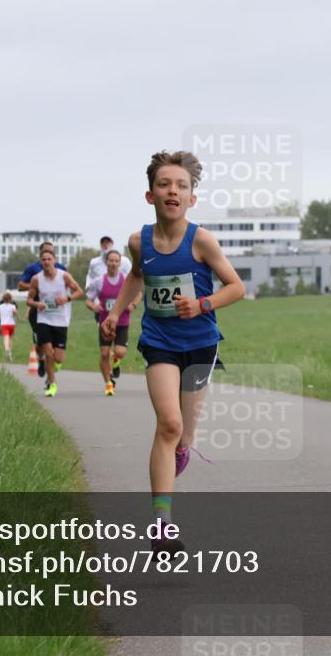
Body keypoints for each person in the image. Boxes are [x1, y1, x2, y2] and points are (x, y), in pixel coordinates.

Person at [101, 150, 245, 555]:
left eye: (182, 186)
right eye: (165, 184)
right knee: (167, 424)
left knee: (183, 432)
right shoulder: (137, 242)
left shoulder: (202, 240)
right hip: (160, 342)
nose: (173, 191)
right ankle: (162, 526)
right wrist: (115, 311)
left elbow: (236, 287)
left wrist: (202, 305)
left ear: (191, 199)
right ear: (150, 195)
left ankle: (184, 447)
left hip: (200, 345)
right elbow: (136, 275)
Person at [27, 249, 83, 396]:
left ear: (54, 260)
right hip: (43, 319)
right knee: (48, 353)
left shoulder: (64, 276)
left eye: (49, 259)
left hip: (61, 320)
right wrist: (37, 304)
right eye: (43, 259)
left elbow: (79, 291)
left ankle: (52, 368)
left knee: (58, 358)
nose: (46, 262)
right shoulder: (36, 279)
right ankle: (52, 384)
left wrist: (67, 299)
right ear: (40, 262)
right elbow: (29, 300)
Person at [86, 250, 141, 395]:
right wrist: (94, 306)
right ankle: (108, 383)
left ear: (120, 263)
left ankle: (116, 362)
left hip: (122, 322)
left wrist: (133, 305)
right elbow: (88, 300)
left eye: (116, 261)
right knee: (104, 354)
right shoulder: (99, 282)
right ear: (106, 262)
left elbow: (139, 294)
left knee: (120, 352)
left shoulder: (125, 280)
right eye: (111, 260)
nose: (114, 263)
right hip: (105, 323)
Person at [19, 241, 69, 379]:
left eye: (51, 252)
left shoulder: (61, 268)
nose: (48, 256)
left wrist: (66, 299)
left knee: (53, 348)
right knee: (40, 343)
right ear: (40, 255)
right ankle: (41, 361)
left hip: (57, 311)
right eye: (45, 252)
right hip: (38, 309)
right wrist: (38, 285)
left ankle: (50, 371)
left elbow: (69, 286)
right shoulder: (33, 268)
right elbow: (20, 285)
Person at [0, 291, 19, 361]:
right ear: (10, 299)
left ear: (3, 299)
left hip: (4, 324)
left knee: (5, 338)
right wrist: (16, 316)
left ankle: (6, 349)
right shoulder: (12, 306)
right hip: (11, 324)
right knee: (10, 338)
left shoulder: (0, 306)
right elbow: (16, 312)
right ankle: (10, 353)